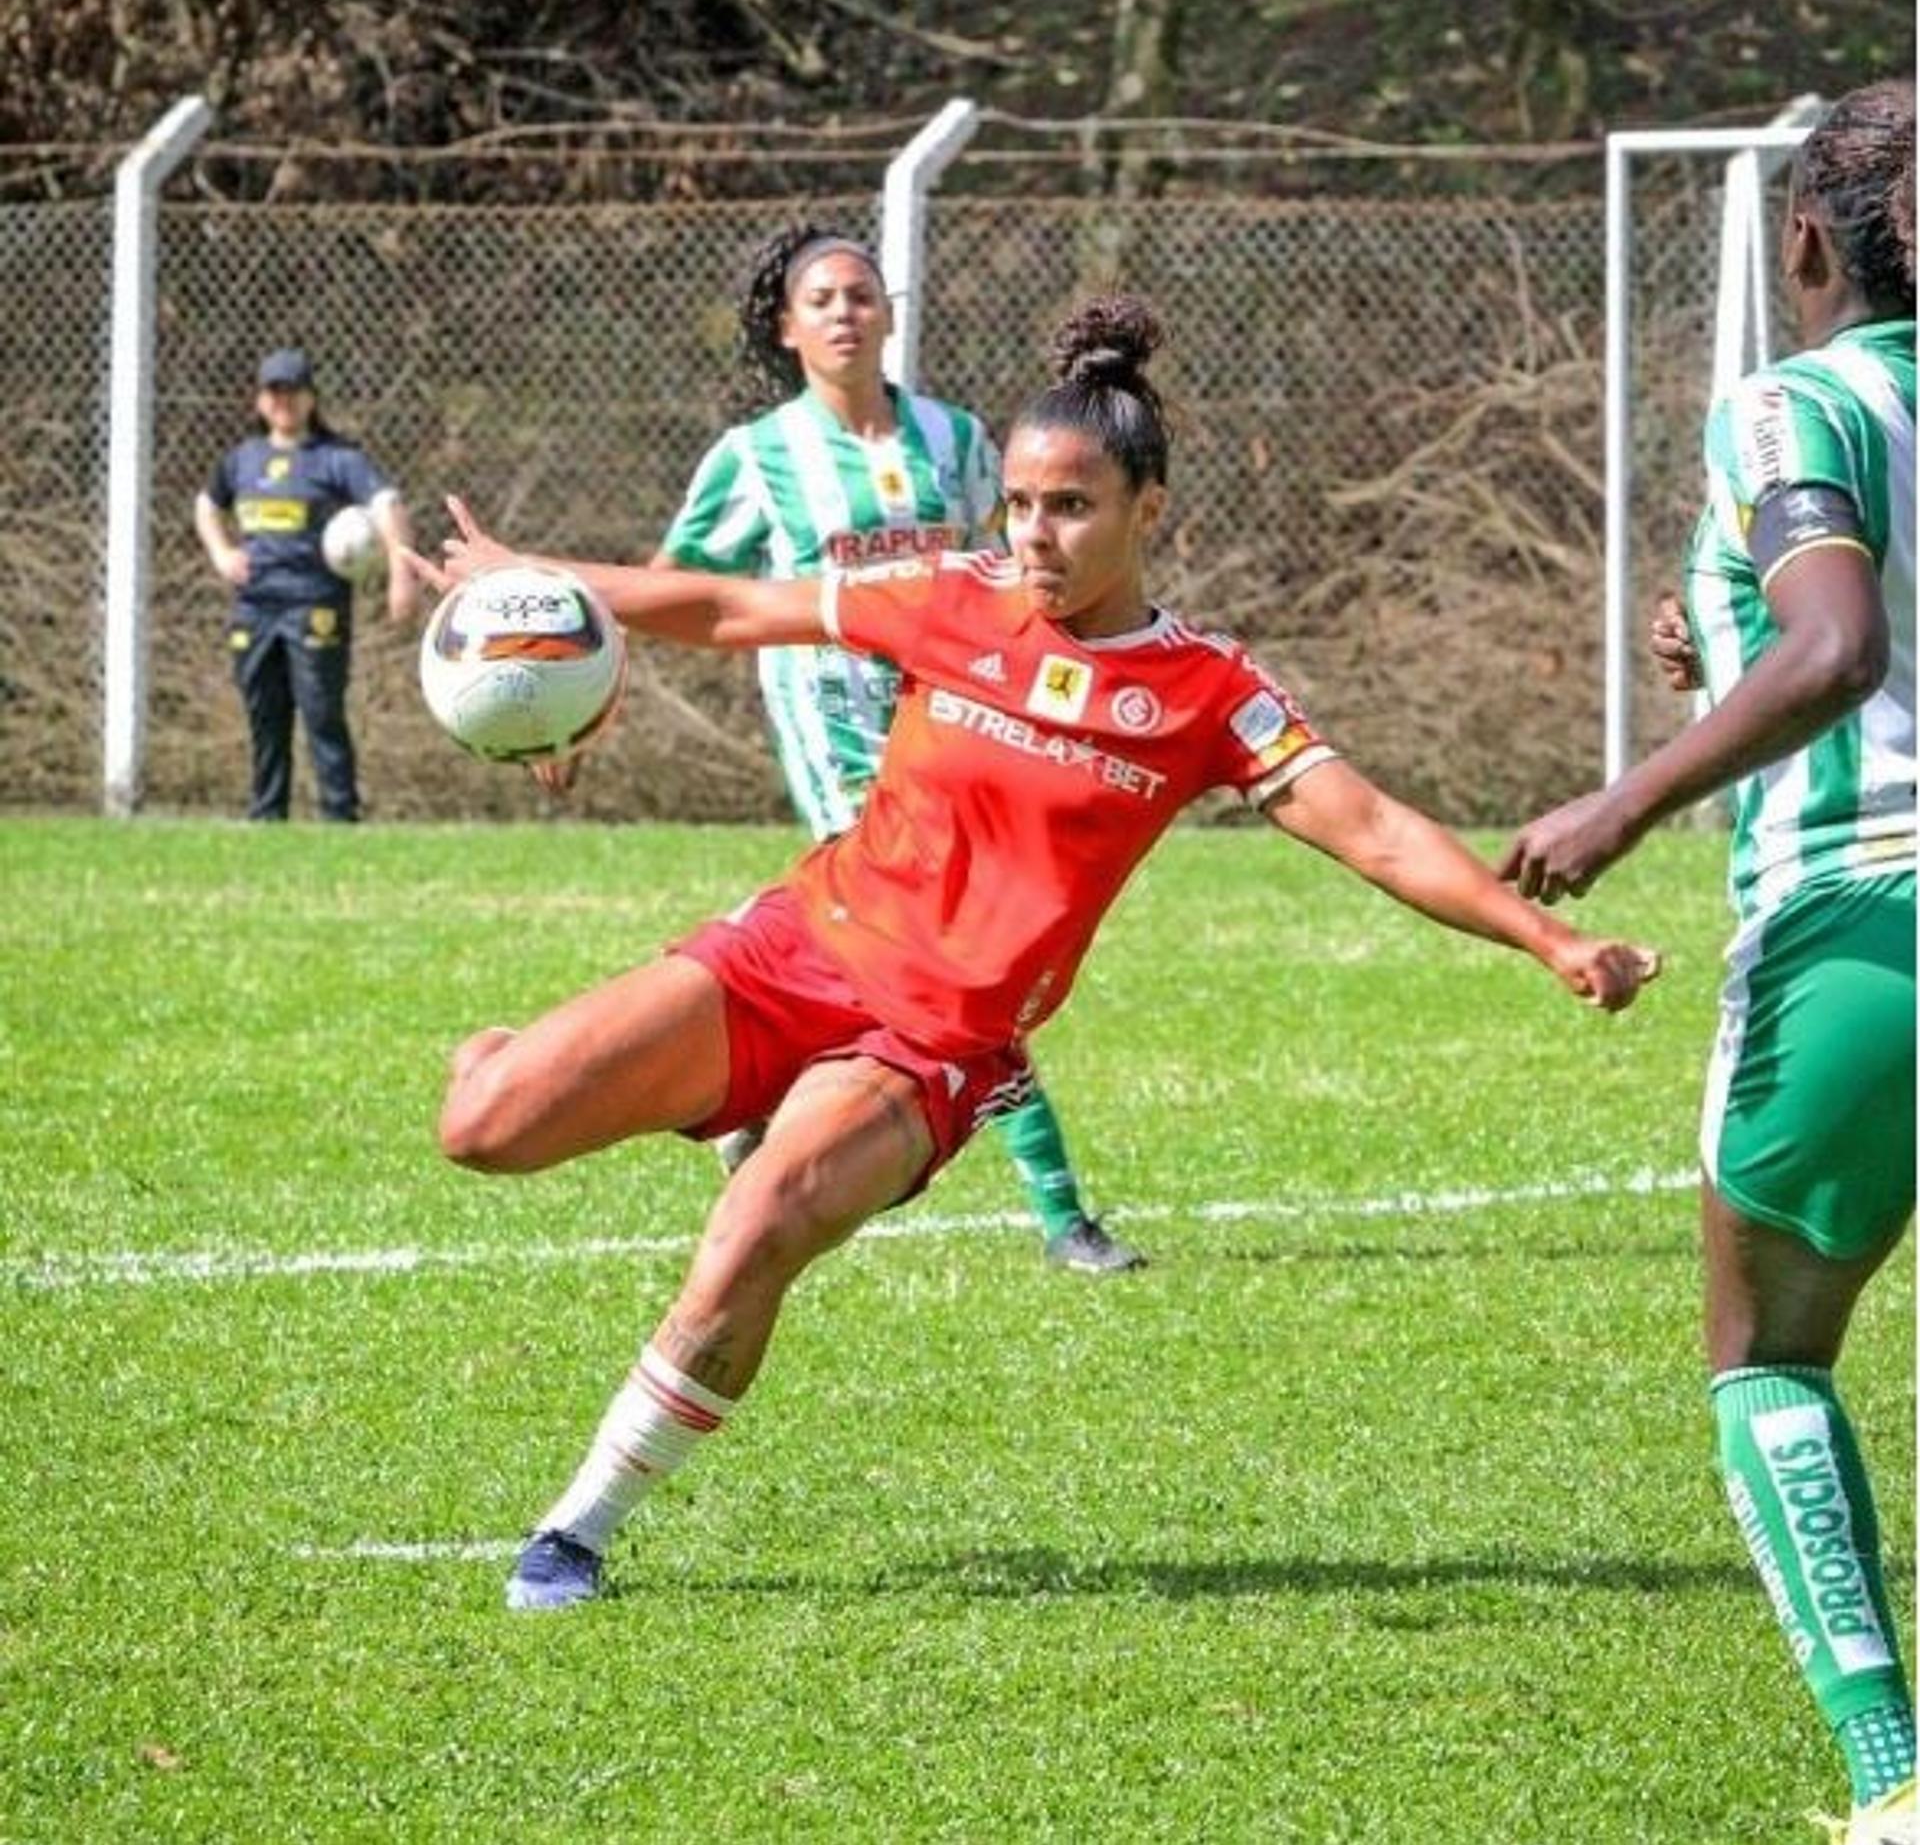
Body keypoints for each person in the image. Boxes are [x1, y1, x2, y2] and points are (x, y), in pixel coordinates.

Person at [404, 294, 1659, 1614]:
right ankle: (543, 1066)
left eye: (1069, 505)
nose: (1035, 534)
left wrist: (1546, 935)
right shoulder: (951, 597)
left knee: (758, 1224)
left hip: (929, 1044)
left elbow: (1379, 833)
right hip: (799, 948)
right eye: (1017, 502)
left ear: (1148, 510)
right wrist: (537, 577)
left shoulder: (1208, 693)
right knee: (481, 1124)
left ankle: (577, 1528)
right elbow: (728, 605)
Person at [1501, 82, 1914, 1845]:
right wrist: (1713, 636)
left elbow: (1837, 650)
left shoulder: (1795, 397)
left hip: (1869, 916)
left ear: (1805, 239)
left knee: (1769, 1354)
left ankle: (1896, 1776)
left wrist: (1626, 797)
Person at [655, 220, 1142, 1274]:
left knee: (937, 959)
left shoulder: (958, 441)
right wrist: (580, 701)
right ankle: (1063, 1216)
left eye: (860, 294)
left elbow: (1009, 577)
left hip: (958, 732)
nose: (843, 311)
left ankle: (772, 1110)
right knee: (957, 962)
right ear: (787, 327)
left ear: (887, 314)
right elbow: (681, 582)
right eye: (820, 298)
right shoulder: (757, 457)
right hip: (837, 744)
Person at [194, 347, 418, 821]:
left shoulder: (338, 460)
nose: (284, 402)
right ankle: (267, 815)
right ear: (259, 401)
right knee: (264, 714)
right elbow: (207, 505)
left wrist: (402, 572)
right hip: (255, 606)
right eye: (274, 392)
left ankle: (340, 816)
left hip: (315, 604)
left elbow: (388, 506)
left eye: (293, 392)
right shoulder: (242, 461)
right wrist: (221, 552)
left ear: (311, 398)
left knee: (320, 712)